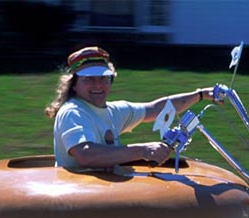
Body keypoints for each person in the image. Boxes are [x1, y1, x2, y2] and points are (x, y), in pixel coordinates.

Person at [45, 46, 214, 169]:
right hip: (78, 201)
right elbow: (85, 155)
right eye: (89, 79)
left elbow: (156, 109)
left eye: (103, 78)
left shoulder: (112, 111)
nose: (98, 84)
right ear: (74, 84)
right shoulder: (73, 112)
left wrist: (201, 94)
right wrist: (142, 151)